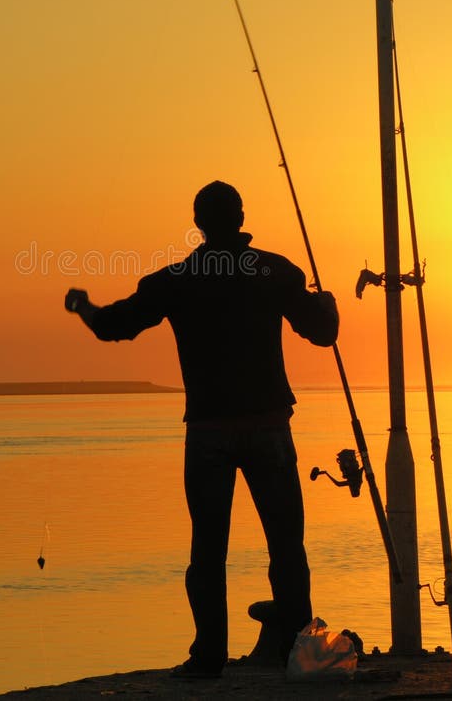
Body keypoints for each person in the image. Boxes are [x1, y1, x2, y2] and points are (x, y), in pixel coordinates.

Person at [65, 181, 339, 679]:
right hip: (269, 428)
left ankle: (209, 656)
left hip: (209, 432)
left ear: (198, 223)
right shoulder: (275, 271)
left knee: (208, 550)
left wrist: (83, 305)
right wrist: (330, 303)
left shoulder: (178, 279)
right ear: (241, 218)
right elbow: (323, 334)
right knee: (286, 545)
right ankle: (299, 654)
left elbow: (113, 327)